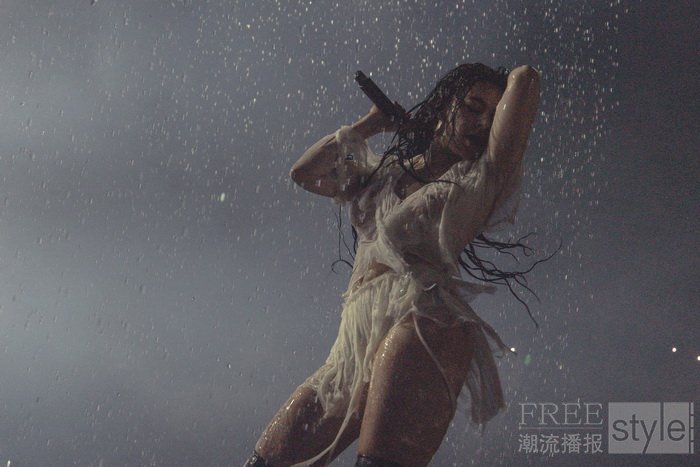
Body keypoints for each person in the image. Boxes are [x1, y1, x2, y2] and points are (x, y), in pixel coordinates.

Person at [244, 63, 541, 467]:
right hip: (350, 350)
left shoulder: (483, 177)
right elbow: (306, 174)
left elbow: (526, 79)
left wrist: (506, 87)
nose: (483, 122)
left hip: (421, 321)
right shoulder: (384, 173)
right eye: (473, 108)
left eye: (494, 114)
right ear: (444, 106)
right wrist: (372, 123)